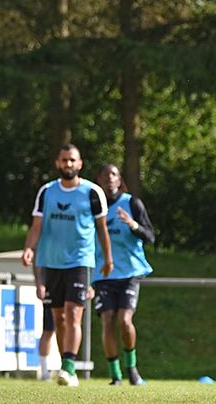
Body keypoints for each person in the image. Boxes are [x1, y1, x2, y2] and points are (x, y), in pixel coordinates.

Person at [21, 144, 113, 387]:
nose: (68, 164)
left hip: (80, 260)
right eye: (64, 160)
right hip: (51, 262)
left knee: (73, 314)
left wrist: (108, 259)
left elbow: (102, 229)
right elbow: (36, 226)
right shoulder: (46, 192)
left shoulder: (92, 192)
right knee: (59, 318)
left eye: (72, 160)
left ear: (80, 163)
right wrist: (29, 248)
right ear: (57, 163)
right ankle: (66, 365)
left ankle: (69, 367)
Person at [92, 163, 155, 386]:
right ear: (99, 180)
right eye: (105, 175)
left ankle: (132, 368)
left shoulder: (132, 203)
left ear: (119, 180)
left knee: (124, 320)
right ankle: (115, 375)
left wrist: (133, 225)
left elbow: (150, 237)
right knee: (107, 321)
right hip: (103, 273)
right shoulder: (92, 206)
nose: (109, 178)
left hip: (130, 272)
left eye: (114, 175)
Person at [34, 264, 56, 382]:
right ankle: (44, 370)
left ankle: (67, 368)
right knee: (48, 329)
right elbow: (37, 258)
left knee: (68, 325)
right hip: (51, 282)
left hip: (69, 279)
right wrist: (39, 282)